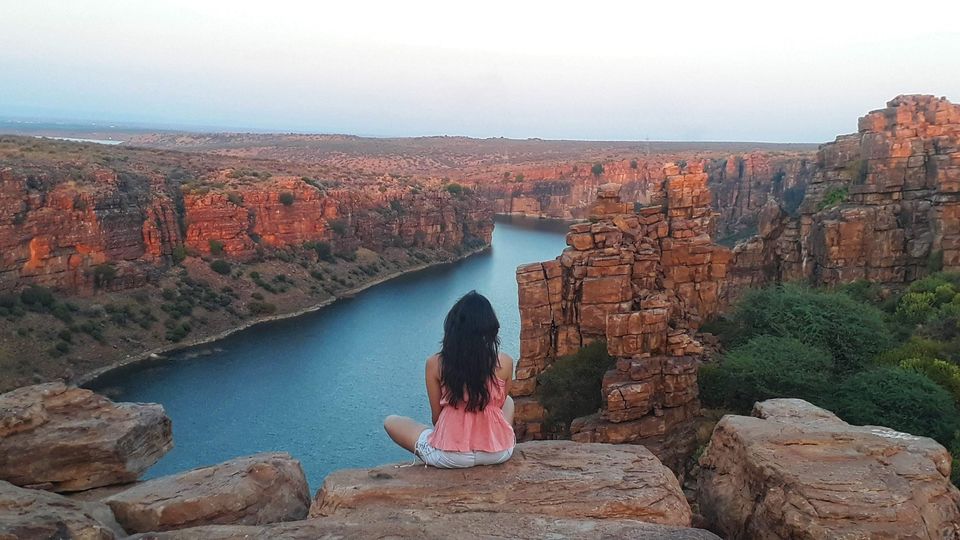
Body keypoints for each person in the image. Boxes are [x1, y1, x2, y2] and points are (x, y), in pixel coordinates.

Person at [384, 290, 516, 468]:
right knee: (508, 401)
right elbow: (498, 407)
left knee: (391, 421)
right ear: (490, 329)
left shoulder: (435, 364)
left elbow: (437, 418)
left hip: (450, 457)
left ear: (453, 328)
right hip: (498, 453)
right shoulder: (505, 362)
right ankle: (496, 438)